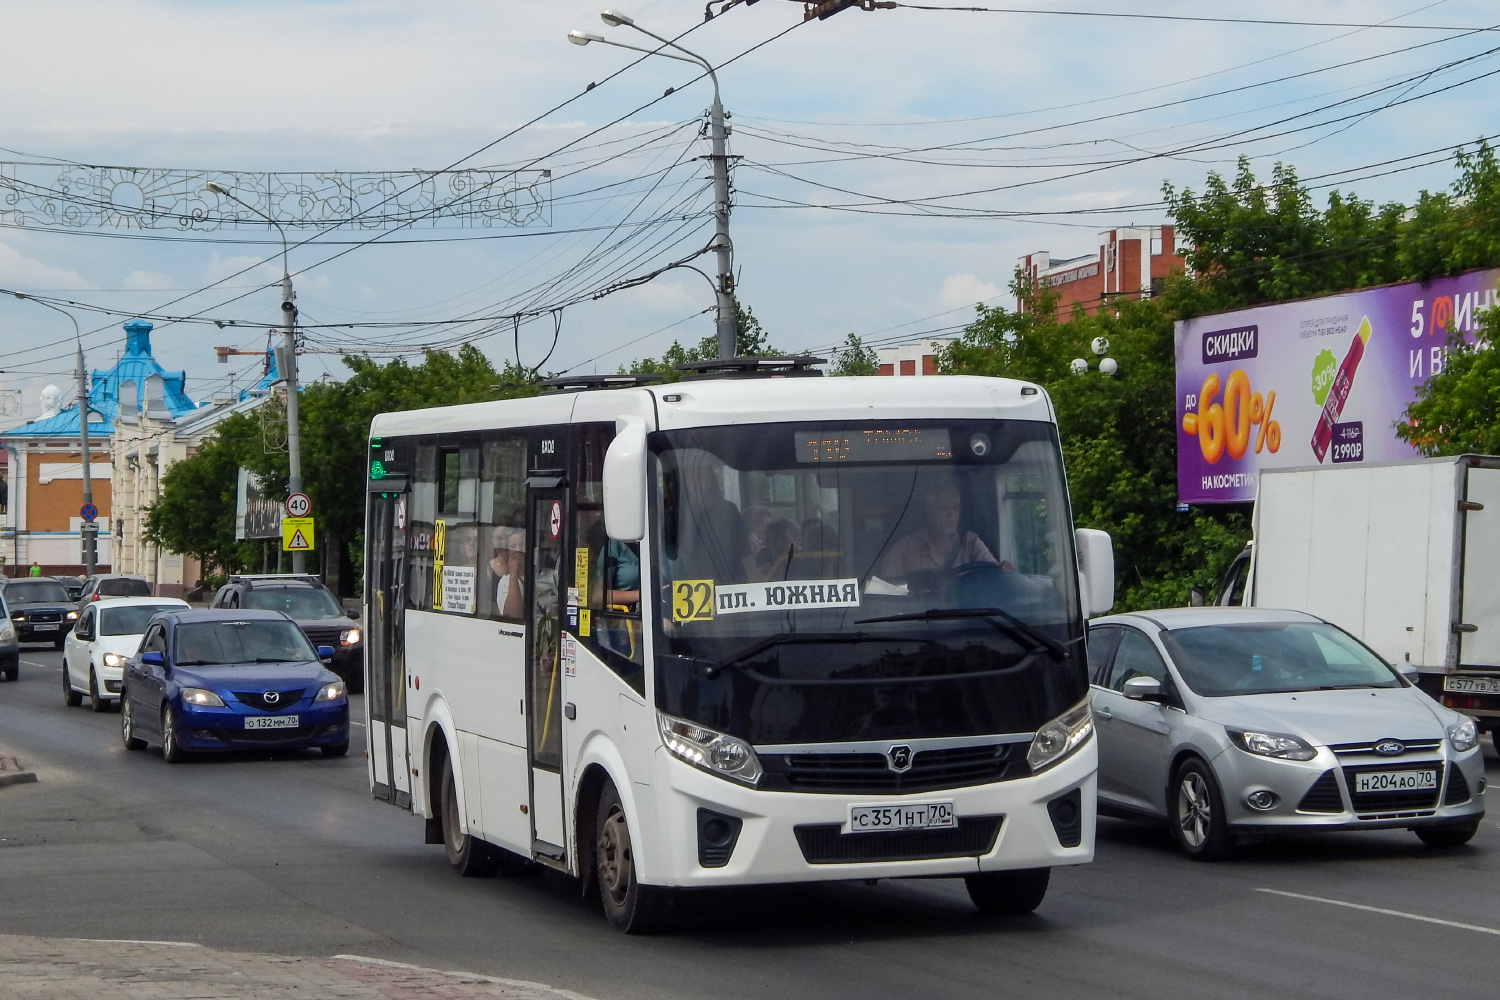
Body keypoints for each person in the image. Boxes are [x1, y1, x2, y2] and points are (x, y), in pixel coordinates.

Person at [879, 484, 1004, 582]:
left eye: (955, 508)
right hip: (919, 613)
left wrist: (1004, 571)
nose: (951, 514)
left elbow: (994, 579)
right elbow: (886, 595)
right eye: (944, 508)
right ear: (929, 512)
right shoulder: (903, 549)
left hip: (964, 613)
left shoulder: (971, 542)